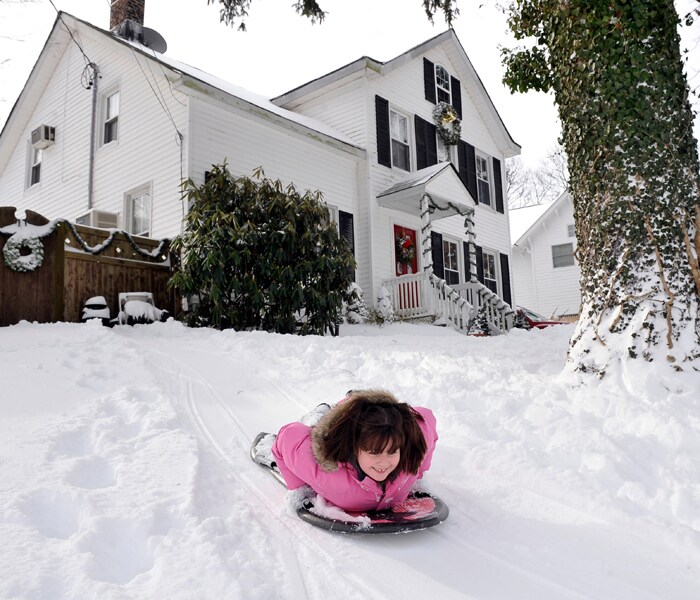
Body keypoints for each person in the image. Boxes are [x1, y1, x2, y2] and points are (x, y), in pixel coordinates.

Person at [270, 389, 438, 512]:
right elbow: (287, 436)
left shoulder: (410, 459)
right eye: (374, 452)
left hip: (372, 414)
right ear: (354, 450)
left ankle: (353, 400)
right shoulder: (327, 475)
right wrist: (299, 488)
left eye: (392, 451)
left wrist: (419, 473)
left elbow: (426, 418)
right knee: (319, 424)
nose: (384, 462)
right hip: (339, 422)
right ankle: (322, 411)